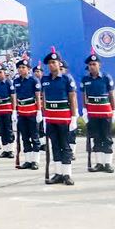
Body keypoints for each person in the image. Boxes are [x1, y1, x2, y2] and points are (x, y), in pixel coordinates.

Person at [41, 49, 78, 186]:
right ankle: (58, 173)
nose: (51, 65)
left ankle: (67, 174)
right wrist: (44, 116)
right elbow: (43, 98)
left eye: (54, 62)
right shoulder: (45, 80)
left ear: (59, 63)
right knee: (55, 146)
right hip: (51, 119)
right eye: (49, 63)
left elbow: (72, 98)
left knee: (65, 146)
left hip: (64, 119)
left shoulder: (67, 79)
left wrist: (73, 118)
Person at [81, 51, 115, 173]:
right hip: (92, 113)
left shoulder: (106, 77)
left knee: (106, 137)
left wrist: (114, 110)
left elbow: (111, 95)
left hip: (105, 112)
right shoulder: (85, 79)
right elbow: (84, 95)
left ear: (99, 65)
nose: (92, 66)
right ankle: (99, 163)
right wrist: (84, 110)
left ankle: (108, 163)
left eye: (94, 64)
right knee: (96, 137)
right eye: (90, 64)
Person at [13, 58, 42, 169]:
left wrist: (39, 111)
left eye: (23, 67)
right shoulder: (16, 81)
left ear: (28, 69)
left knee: (34, 136)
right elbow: (15, 97)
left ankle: (35, 160)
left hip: (32, 112)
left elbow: (37, 97)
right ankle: (28, 160)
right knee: (24, 137)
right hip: (21, 112)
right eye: (19, 68)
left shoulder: (34, 80)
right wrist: (15, 111)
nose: (21, 69)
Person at [0, 64, 16, 158]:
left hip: (7, 109)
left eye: (0, 72)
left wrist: (14, 110)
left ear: (4, 72)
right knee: (1, 130)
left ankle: (11, 149)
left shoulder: (8, 83)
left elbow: (13, 97)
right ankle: (5, 149)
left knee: (8, 129)